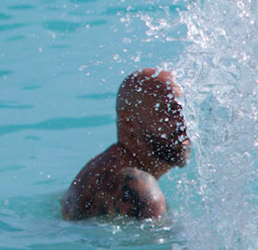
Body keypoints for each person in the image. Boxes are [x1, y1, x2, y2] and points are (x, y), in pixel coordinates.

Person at [61, 68, 189, 220]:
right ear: (129, 122)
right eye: (169, 111)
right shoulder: (139, 187)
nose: (185, 124)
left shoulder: (104, 167)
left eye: (184, 111)